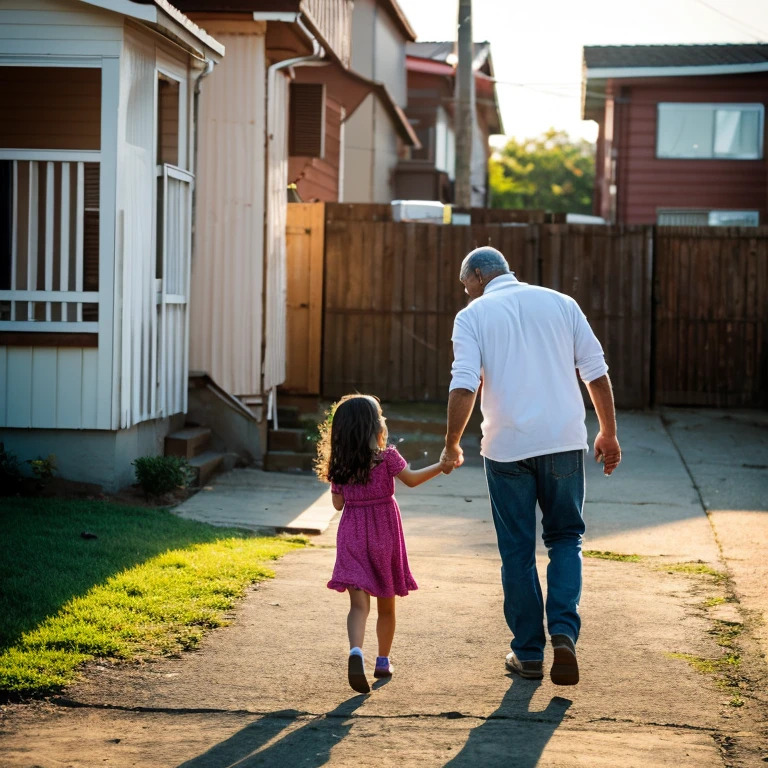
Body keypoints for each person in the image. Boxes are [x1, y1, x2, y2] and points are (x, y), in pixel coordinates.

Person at [440, 246, 621, 686]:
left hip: (506, 450)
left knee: (517, 551)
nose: (467, 296)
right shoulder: (562, 303)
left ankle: (528, 653)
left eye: (467, 287)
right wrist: (608, 433)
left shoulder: (474, 317)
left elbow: (464, 383)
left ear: (480, 276)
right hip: (562, 442)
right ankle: (562, 633)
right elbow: (595, 372)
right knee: (565, 540)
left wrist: (451, 444)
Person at [316, 394, 447, 694]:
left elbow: (338, 505)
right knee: (386, 606)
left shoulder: (340, 465)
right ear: (375, 427)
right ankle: (383, 661)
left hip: (352, 534)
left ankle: (355, 653)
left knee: (358, 606)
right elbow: (412, 480)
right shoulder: (388, 457)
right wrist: (441, 465)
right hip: (384, 534)